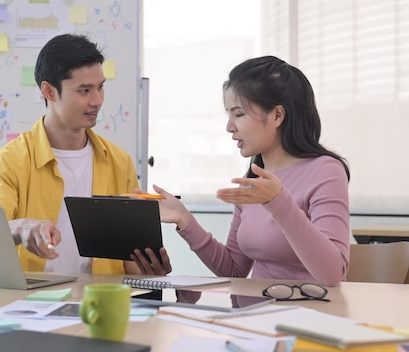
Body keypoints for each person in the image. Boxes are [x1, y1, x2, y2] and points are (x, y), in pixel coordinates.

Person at [133, 56, 350, 286]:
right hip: (251, 316)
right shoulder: (251, 180)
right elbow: (234, 270)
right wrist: (184, 219)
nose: (229, 127)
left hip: (308, 317)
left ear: (277, 115)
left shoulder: (325, 171)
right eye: (228, 114)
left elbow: (333, 273)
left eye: (238, 114)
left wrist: (278, 200)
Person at [0, 34, 143, 275]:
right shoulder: (5, 163)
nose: (97, 100)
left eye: (100, 87)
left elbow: (130, 259)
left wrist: (154, 271)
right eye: (84, 90)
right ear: (49, 91)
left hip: (103, 301)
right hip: (28, 304)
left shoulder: (119, 162)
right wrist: (23, 227)